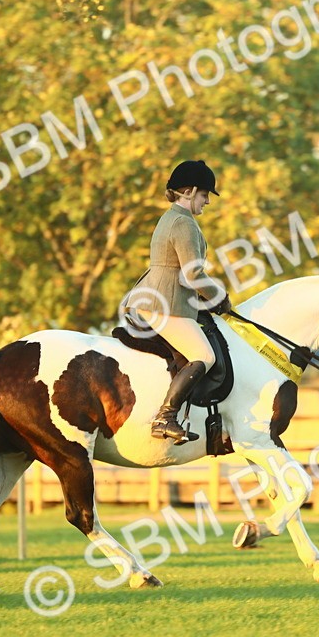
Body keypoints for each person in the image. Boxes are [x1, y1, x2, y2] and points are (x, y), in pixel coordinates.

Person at [122, 160, 232, 444]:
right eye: (204, 194)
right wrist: (220, 297)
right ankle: (165, 417)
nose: (207, 201)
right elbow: (193, 273)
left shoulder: (170, 217)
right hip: (167, 303)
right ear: (189, 190)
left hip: (161, 296)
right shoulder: (184, 223)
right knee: (205, 356)